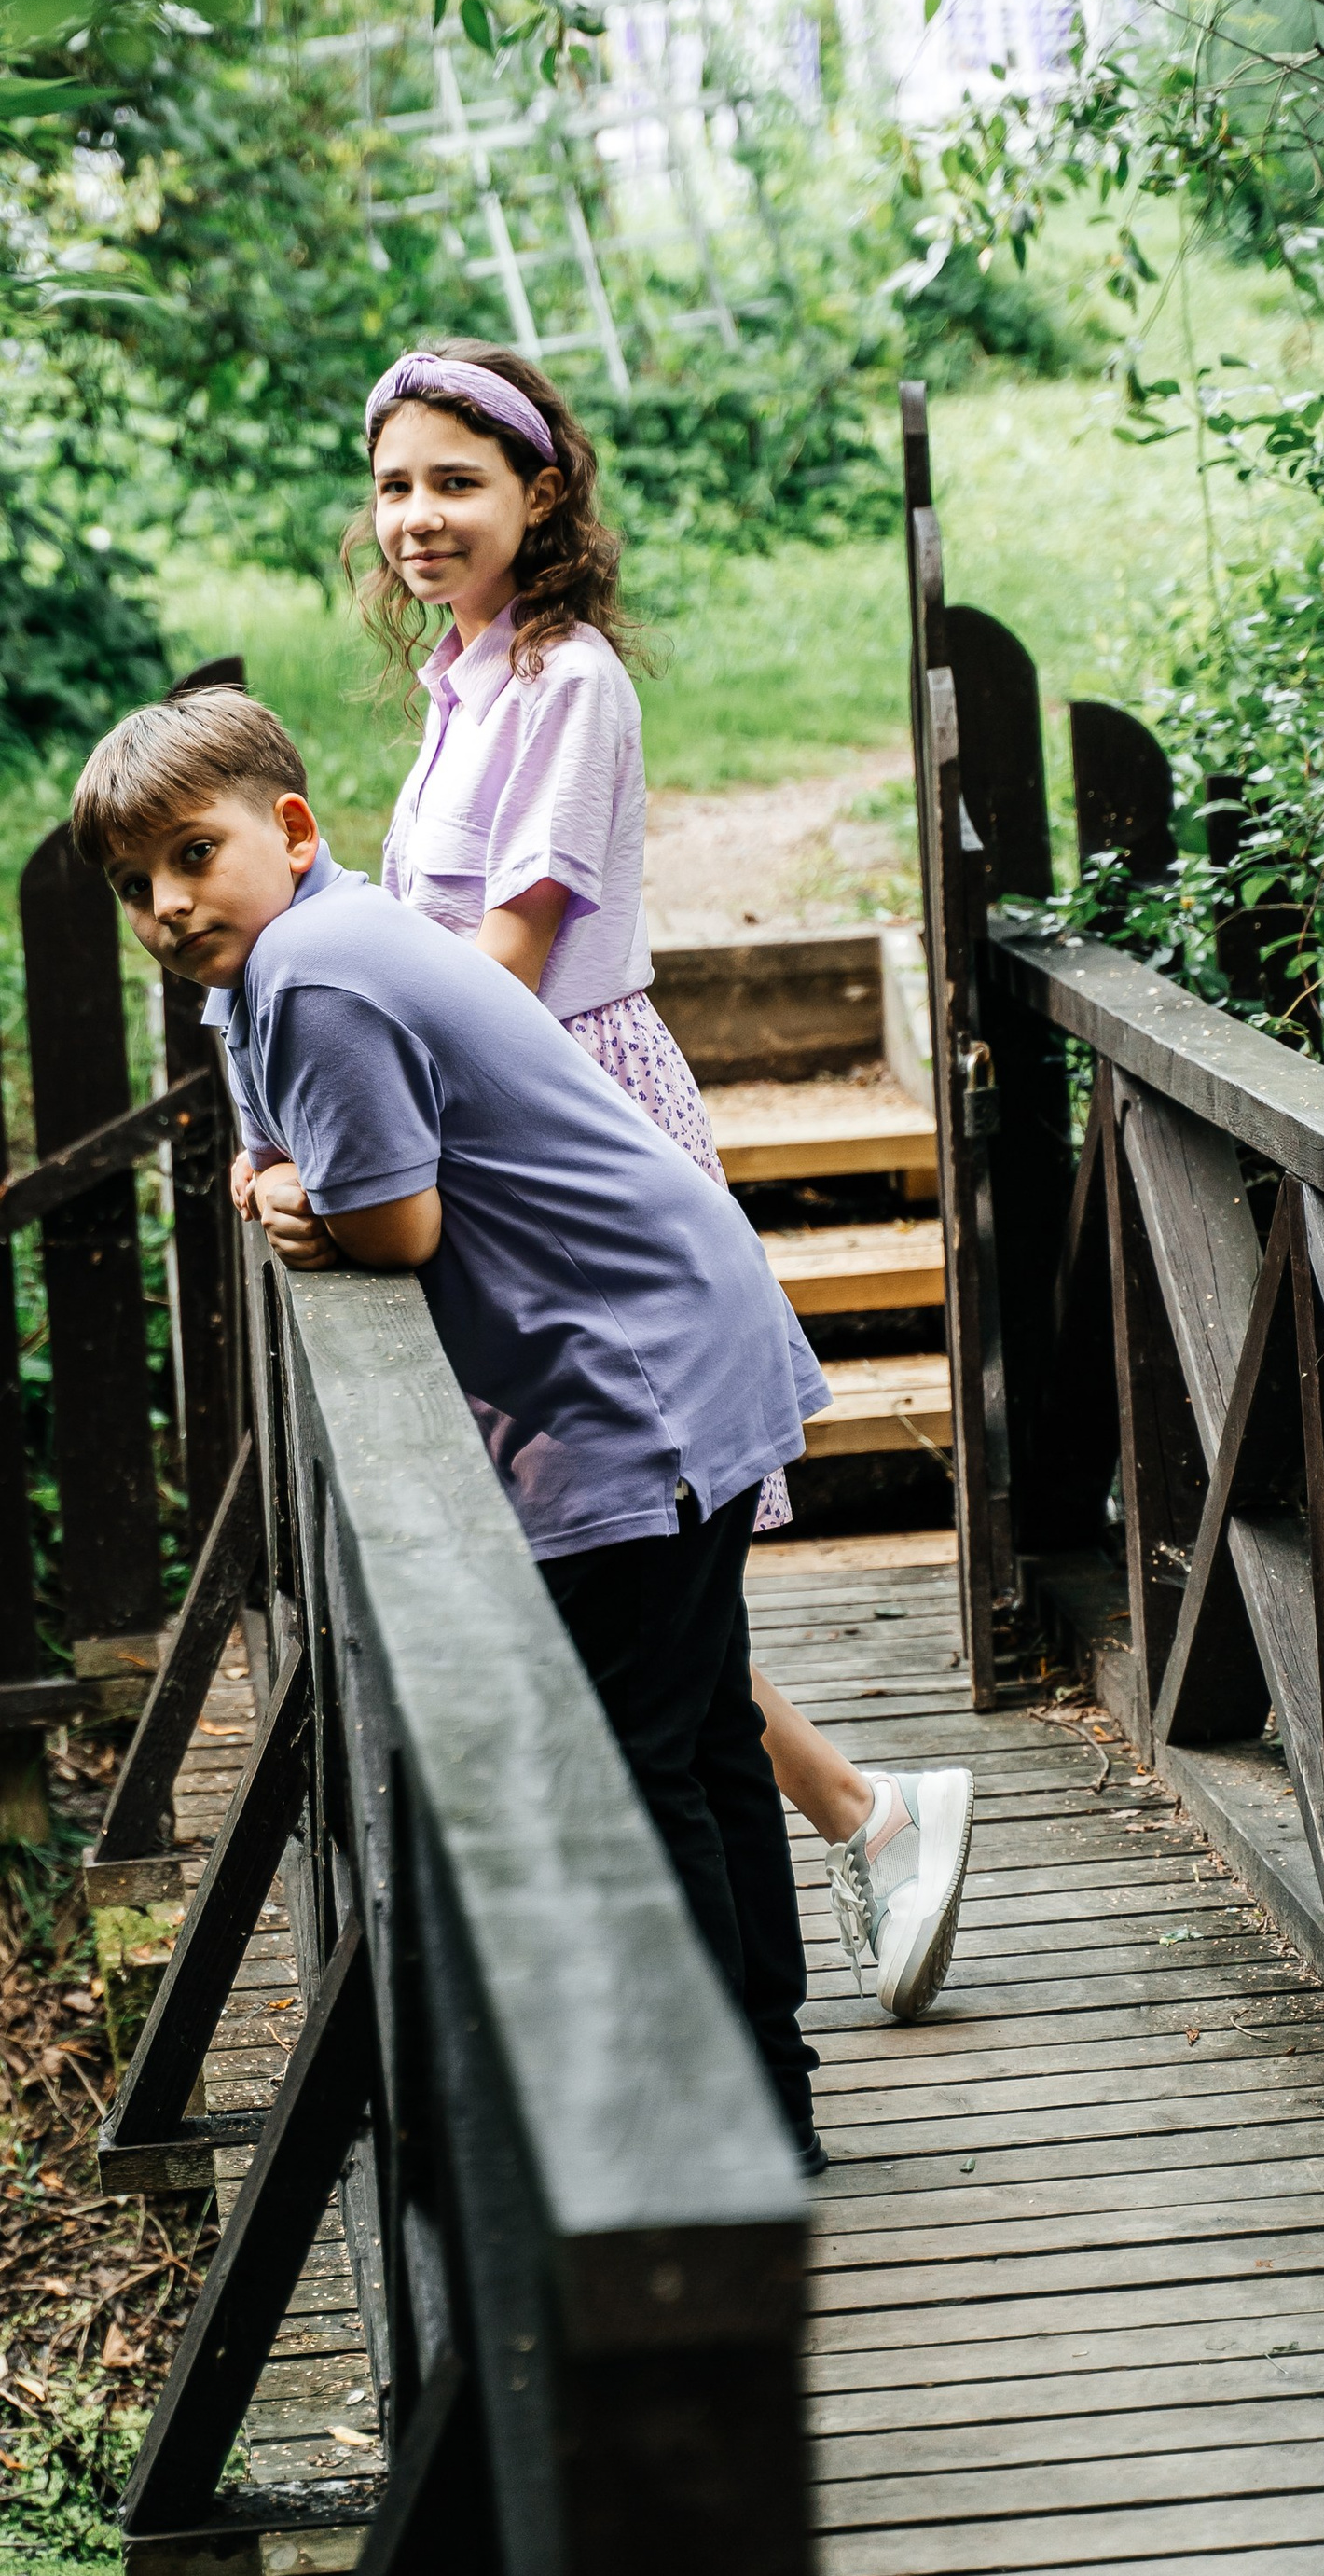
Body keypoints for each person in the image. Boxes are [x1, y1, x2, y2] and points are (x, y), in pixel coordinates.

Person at [72, 685, 836, 2174]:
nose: (165, 905)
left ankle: (713, 2128)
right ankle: (766, 2097)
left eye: (189, 855)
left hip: (635, 1389)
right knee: (703, 1736)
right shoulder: (309, 942)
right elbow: (280, 1129)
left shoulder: (313, 973)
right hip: (686, 1333)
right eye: (132, 886)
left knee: (638, 1760)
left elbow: (398, 1227)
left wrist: (304, 1201)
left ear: (288, 830)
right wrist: (276, 1174)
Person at [321, 334, 972, 2026]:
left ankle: (805, 1896)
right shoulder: (468, 676)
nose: (417, 515)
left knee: (634, 1572)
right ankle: (862, 1818)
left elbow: (508, 961)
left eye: (456, 482)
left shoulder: (567, 686)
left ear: (542, 496)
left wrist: (373, 1139)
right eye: (394, 485)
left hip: (562, 1130)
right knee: (633, 1592)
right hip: (498, 1117)